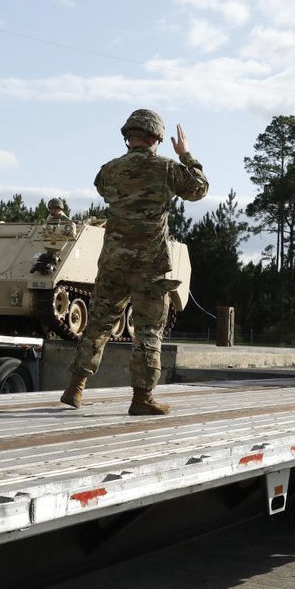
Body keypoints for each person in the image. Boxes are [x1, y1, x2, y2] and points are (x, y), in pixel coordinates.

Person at [60, 109, 209, 416]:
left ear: (128, 137)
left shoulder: (110, 170)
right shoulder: (167, 168)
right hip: (150, 267)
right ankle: (142, 398)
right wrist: (185, 155)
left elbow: (101, 188)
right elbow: (199, 188)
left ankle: (75, 388)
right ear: (156, 137)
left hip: (113, 263)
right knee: (147, 331)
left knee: (98, 325)